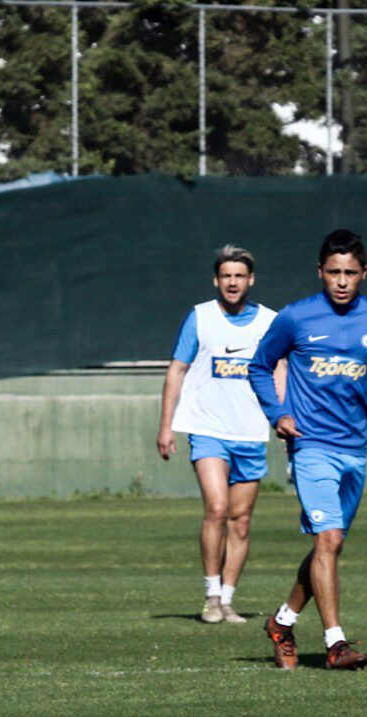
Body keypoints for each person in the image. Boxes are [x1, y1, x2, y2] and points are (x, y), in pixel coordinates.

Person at [248, 230, 367, 671]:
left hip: (355, 449)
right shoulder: (295, 317)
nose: (341, 281)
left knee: (328, 547)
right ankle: (336, 644)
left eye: (350, 273)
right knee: (329, 539)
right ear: (320, 272)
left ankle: (281, 623)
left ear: (364, 273)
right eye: (334, 272)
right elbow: (259, 366)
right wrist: (278, 413)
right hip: (310, 445)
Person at [157, 245, 282, 624]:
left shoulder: (270, 321)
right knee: (217, 508)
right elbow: (177, 369)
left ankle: (228, 599)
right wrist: (166, 425)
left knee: (240, 521)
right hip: (207, 428)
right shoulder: (200, 318)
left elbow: (280, 369)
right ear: (216, 280)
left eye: (239, 275)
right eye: (226, 275)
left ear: (251, 280)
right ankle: (211, 596)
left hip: (250, 431)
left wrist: (282, 416)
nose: (232, 282)